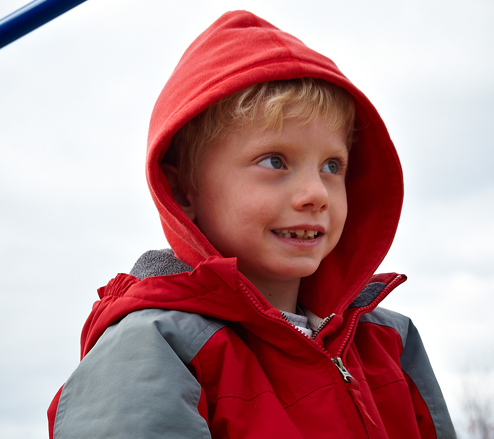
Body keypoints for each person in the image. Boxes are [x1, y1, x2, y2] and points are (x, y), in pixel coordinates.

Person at [48, 10, 456, 439]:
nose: (316, 193)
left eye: (332, 165)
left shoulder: (389, 341)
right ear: (184, 190)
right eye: (274, 161)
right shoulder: (154, 348)